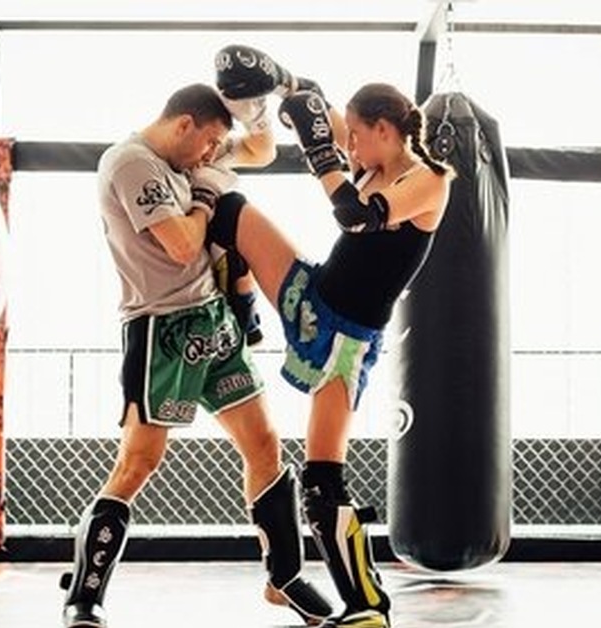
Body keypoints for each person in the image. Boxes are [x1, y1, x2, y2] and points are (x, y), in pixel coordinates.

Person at [59, 82, 332, 628]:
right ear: (183, 124)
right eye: (207, 143)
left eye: (214, 148)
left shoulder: (191, 154)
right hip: (160, 328)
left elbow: (259, 150)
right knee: (138, 462)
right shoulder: (131, 163)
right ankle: (84, 596)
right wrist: (206, 196)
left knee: (265, 443)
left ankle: (284, 577)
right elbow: (182, 245)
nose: (210, 155)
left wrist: (258, 106)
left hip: (215, 322)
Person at [210, 46, 454, 628]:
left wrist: (320, 155)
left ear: (385, 130)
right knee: (230, 212)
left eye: (357, 139)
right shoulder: (370, 154)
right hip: (311, 294)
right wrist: (283, 79)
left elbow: (357, 216)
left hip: (347, 339)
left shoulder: (429, 182)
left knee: (321, 482)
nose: (351, 150)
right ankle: (242, 319)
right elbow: (313, 101)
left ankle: (367, 606)